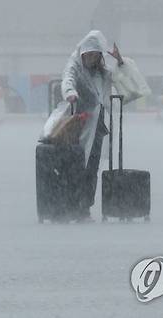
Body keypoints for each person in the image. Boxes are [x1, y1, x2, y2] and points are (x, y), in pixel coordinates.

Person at [61, 30, 124, 221]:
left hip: (97, 127)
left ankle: (84, 207)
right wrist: (70, 93)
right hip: (76, 125)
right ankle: (73, 205)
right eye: (89, 55)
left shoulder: (103, 73)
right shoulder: (75, 67)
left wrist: (121, 62)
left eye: (95, 55)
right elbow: (67, 79)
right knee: (75, 166)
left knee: (92, 167)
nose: (91, 58)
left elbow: (128, 84)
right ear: (83, 54)